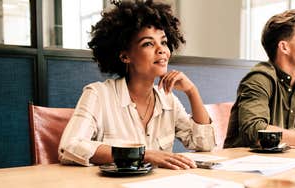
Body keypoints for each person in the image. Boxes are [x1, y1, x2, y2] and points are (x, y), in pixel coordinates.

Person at [58, 0, 215, 170]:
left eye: (163, 42)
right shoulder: (98, 94)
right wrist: (142, 154)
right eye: (148, 43)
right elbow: (69, 148)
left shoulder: (168, 99)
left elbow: (204, 144)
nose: (161, 49)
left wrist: (192, 92)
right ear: (125, 56)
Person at [224, 9, 295, 148]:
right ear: (284, 47)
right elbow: (255, 131)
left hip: (281, 162)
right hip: (241, 164)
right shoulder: (259, 79)